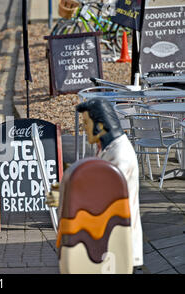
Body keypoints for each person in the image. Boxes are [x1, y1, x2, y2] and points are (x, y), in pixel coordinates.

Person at [48, 98, 143, 271]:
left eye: (86, 123)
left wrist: (66, 194)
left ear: (100, 125)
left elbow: (104, 196)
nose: (84, 128)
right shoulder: (107, 148)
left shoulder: (120, 155)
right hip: (108, 240)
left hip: (119, 243)